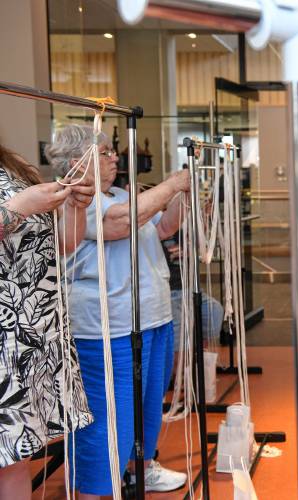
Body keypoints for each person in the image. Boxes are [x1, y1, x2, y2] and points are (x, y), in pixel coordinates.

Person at [45, 125, 190, 497]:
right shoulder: (75, 199)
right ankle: (93, 491)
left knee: (145, 408)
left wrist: (181, 194)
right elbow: (119, 223)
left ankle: (141, 467)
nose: (114, 158)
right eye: (106, 152)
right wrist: (171, 185)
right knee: (109, 418)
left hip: (152, 317)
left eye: (112, 152)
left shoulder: (123, 195)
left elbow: (166, 227)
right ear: (77, 163)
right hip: (106, 326)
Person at [0, 141, 94, 500]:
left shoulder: (15, 164)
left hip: (32, 334)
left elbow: (63, 244)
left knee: (15, 456)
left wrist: (75, 206)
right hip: (6, 336)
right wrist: (22, 205)